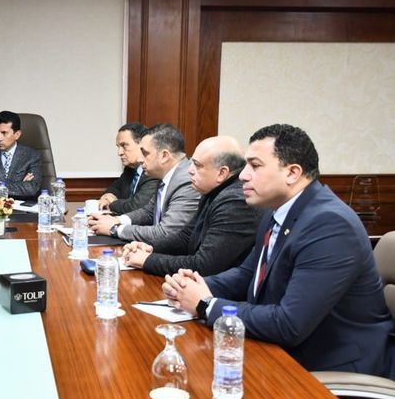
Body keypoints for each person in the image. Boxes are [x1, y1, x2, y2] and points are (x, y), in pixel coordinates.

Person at [162, 124, 395, 378]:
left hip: (334, 369)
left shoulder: (330, 225)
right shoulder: (278, 212)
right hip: (282, 353)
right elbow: (247, 275)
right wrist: (193, 286)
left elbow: (289, 324)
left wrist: (206, 304)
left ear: (293, 173)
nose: (243, 176)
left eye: (255, 166)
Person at [122, 136, 260, 276]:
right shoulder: (212, 190)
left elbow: (203, 265)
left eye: (197, 165)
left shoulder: (235, 203)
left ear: (221, 173)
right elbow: (186, 237)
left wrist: (147, 260)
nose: (190, 170)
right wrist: (150, 247)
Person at [89, 123, 199, 243]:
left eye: (145, 153)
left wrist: (115, 229)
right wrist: (118, 220)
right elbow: (149, 212)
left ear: (164, 156)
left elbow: (166, 234)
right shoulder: (165, 175)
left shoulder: (187, 181)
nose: (141, 159)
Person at [97, 123, 159, 214]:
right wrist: (107, 196)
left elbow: (136, 206)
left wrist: (112, 203)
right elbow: (115, 187)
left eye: (124, 146)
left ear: (142, 144)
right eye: (118, 147)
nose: (119, 153)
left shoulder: (153, 171)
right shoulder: (130, 169)